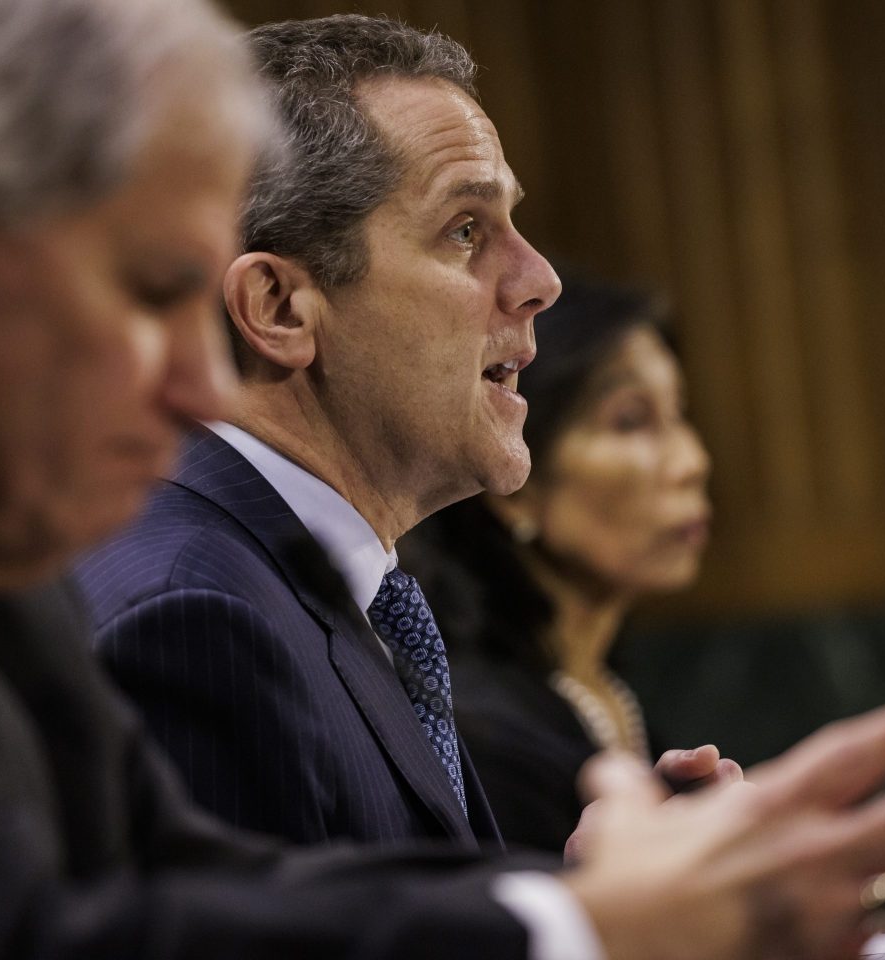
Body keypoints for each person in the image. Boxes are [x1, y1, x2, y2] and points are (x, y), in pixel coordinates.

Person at [0, 1, 885, 957]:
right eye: (156, 292)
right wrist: (590, 932)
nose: (198, 386)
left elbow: (174, 877)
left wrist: (606, 901)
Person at [77, 12, 730, 852]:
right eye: (466, 230)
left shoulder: (317, 587)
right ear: (279, 308)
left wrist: (603, 896)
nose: (540, 279)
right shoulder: (196, 619)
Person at [403, 272, 719, 852]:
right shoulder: (483, 737)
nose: (693, 461)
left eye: (679, 414)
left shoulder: (604, 696)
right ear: (516, 485)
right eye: (631, 420)